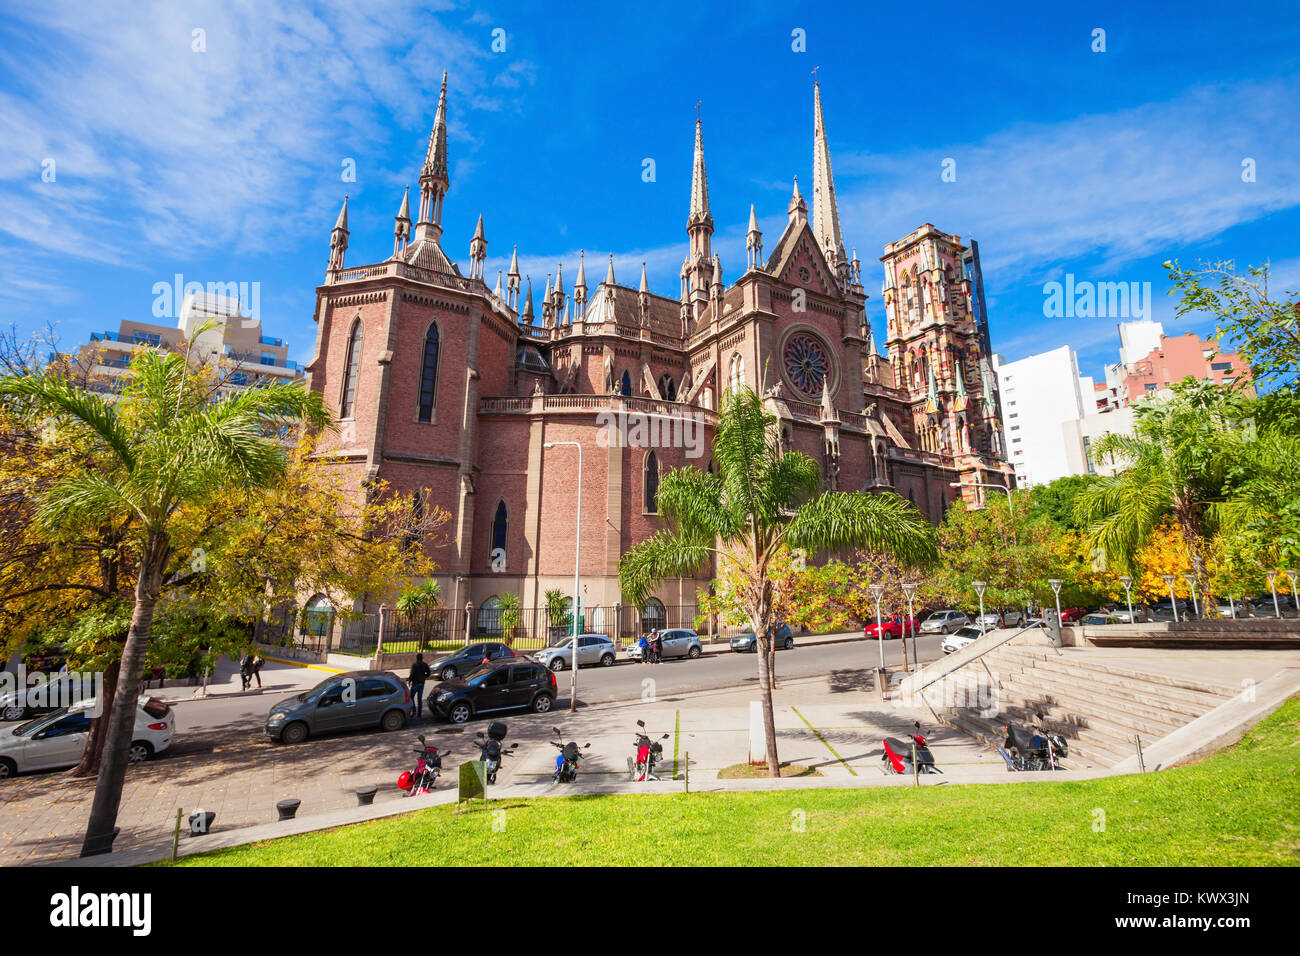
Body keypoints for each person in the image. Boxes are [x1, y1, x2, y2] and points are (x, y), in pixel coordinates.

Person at [408, 653, 432, 719]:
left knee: (411, 697)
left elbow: (412, 674)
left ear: (416, 658)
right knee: (419, 699)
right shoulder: (425, 665)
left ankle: (414, 711)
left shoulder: (414, 665)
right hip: (422, 683)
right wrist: (424, 677)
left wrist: (409, 680)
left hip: (415, 684)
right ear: (422, 658)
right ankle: (419, 713)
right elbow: (429, 673)